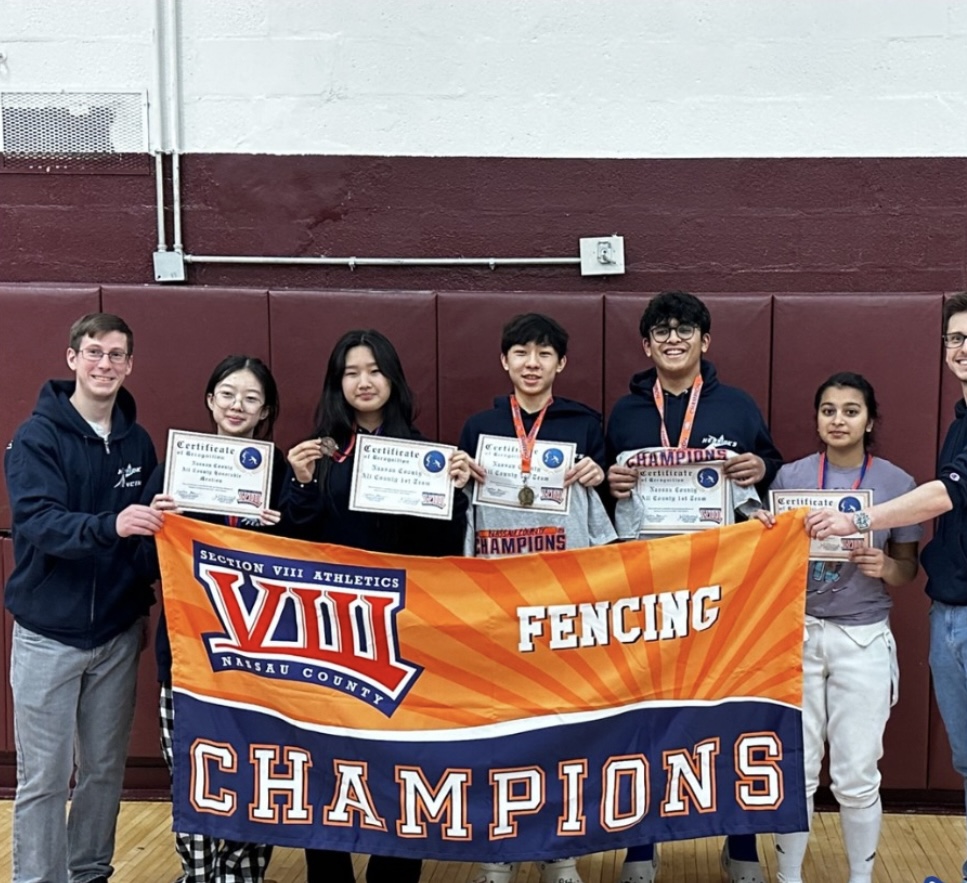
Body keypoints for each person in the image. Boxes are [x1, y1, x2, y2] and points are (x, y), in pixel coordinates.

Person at [806, 291, 967, 883]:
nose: (966, 348)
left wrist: (857, 518)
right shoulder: (966, 419)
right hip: (955, 614)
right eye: (956, 339)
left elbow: (950, 493)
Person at [281, 329, 473, 883]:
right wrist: (299, 485)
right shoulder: (316, 453)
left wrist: (454, 495)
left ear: (392, 379)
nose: (364, 382)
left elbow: (441, 553)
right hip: (329, 635)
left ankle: (394, 874)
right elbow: (293, 546)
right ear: (336, 383)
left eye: (374, 370)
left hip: (402, 635)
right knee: (326, 768)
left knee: (402, 768)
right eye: (351, 372)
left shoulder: (425, 454)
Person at [604, 291, 782, 883]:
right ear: (646, 344)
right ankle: (640, 847)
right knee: (643, 717)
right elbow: (604, 493)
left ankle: (741, 845)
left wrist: (761, 466)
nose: (673, 338)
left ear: (706, 341)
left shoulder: (738, 406)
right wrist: (612, 480)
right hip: (647, 588)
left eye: (685, 330)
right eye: (661, 330)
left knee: (731, 713)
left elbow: (768, 473)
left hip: (723, 587)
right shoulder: (625, 414)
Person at [4, 312, 165, 883]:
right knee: (45, 777)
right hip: (48, 635)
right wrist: (111, 525)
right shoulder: (36, 437)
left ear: (129, 365)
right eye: (94, 352)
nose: (105, 364)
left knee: (102, 771)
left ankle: (89, 872)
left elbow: (145, 537)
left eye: (117, 355)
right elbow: (40, 523)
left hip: (117, 635)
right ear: (72, 358)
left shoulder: (138, 441)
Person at [457, 313, 616, 883]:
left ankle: (559, 852)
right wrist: (455, 477)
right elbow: (461, 521)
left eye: (544, 353)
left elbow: (611, 513)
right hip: (495, 606)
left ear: (561, 363)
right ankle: (498, 851)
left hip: (564, 605)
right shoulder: (479, 425)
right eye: (521, 352)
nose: (531, 363)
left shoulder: (585, 424)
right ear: (504, 361)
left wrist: (600, 475)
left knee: (563, 733)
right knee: (498, 732)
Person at [751, 373, 920, 883]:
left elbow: (907, 570)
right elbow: (769, 562)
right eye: (829, 410)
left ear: (870, 419)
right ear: (817, 418)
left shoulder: (896, 483)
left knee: (857, 775)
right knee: (795, 772)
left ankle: (860, 878)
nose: (839, 420)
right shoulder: (790, 478)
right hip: (796, 635)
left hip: (863, 637)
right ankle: (789, 877)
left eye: (851, 410)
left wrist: (883, 567)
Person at [143, 355, 284, 883]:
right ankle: (200, 876)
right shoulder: (173, 471)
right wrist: (159, 524)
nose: (236, 406)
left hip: (260, 660)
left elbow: (309, 569)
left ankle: (245, 875)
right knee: (195, 774)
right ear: (209, 399)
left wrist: (281, 534)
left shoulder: (279, 476)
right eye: (227, 393)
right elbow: (142, 565)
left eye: (250, 397)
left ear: (265, 408)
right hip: (186, 657)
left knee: (256, 772)